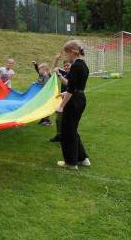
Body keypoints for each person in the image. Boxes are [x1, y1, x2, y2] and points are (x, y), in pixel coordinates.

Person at [56, 40, 90, 170]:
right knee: (72, 129)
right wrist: (65, 92)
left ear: (72, 52)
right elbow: (76, 86)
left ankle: (70, 162)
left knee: (67, 131)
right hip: (80, 98)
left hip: (74, 101)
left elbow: (71, 89)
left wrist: (62, 105)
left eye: (66, 53)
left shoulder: (76, 66)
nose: (66, 56)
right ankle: (83, 158)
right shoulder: (83, 65)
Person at [50, 53, 72, 142]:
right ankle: (59, 135)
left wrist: (59, 75)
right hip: (63, 98)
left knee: (66, 119)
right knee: (58, 118)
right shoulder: (65, 72)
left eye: (68, 65)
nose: (66, 67)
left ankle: (67, 138)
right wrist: (56, 59)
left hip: (70, 99)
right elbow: (54, 69)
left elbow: (66, 83)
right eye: (65, 65)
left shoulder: (73, 74)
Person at [32, 61, 52, 126]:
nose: (39, 70)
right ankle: (43, 119)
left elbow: (45, 85)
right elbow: (37, 70)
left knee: (46, 106)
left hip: (46, 94)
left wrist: (37, 84)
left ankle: (48, 121)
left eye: (40, 69)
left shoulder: (46, 76)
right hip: (42, 93)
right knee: (42, 106)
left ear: (44, 70)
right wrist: (35, 65)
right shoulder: (41, 74)